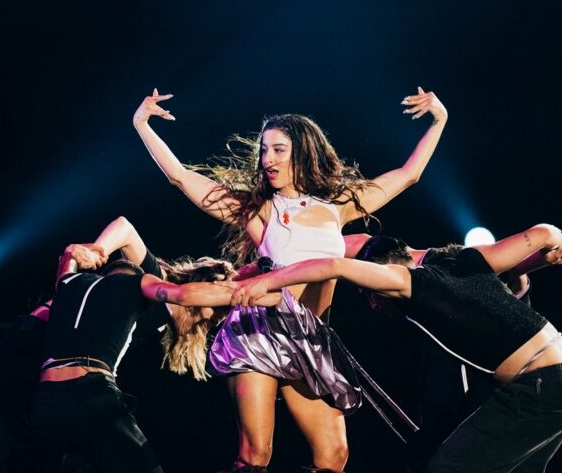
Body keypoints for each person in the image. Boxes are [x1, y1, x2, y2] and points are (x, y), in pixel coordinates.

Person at [132, 87, 448, 472]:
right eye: (264, 150)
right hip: (260, 332)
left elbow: (408, 175)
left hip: (311, 337)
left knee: (333, 457)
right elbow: (182, 178)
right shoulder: (259, 210)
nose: (268, 159)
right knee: (255, 456)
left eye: (278, 149)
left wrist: (439, 119)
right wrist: (142, 124)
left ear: (303, 151)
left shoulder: (337, 207)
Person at [226, 223, 562, 473]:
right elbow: (540, 235)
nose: (374, 304)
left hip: (542, 387)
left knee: (446, 468)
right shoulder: (463, 260)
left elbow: (335, 264)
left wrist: (267, 281)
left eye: (371, 293)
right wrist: (560, 242)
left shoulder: (408, 281)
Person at [27, 217, 257, 473]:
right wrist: (98, 251)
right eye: (217, 310)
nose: (216, 320)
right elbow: (125, 229)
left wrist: (74, 253)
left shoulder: (69, 283)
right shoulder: (147, 284)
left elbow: (68, 259)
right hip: (89, 392)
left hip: (46, 399)